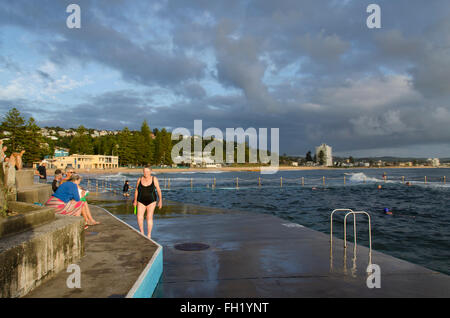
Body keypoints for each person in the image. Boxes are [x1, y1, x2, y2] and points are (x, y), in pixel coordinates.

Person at [133, 166, 162, 239]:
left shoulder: (154, 179)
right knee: (139, 217)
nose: (145, 173)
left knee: (149, 217)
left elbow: (158, 190)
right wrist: (135, 200)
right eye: (144, 171)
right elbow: (136, 190)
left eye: (147, 171)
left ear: (150, 172)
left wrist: (160, 200)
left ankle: (149, 235)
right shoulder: (139, 179)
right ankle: (142, 232)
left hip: (151, 201)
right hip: (140, 200)